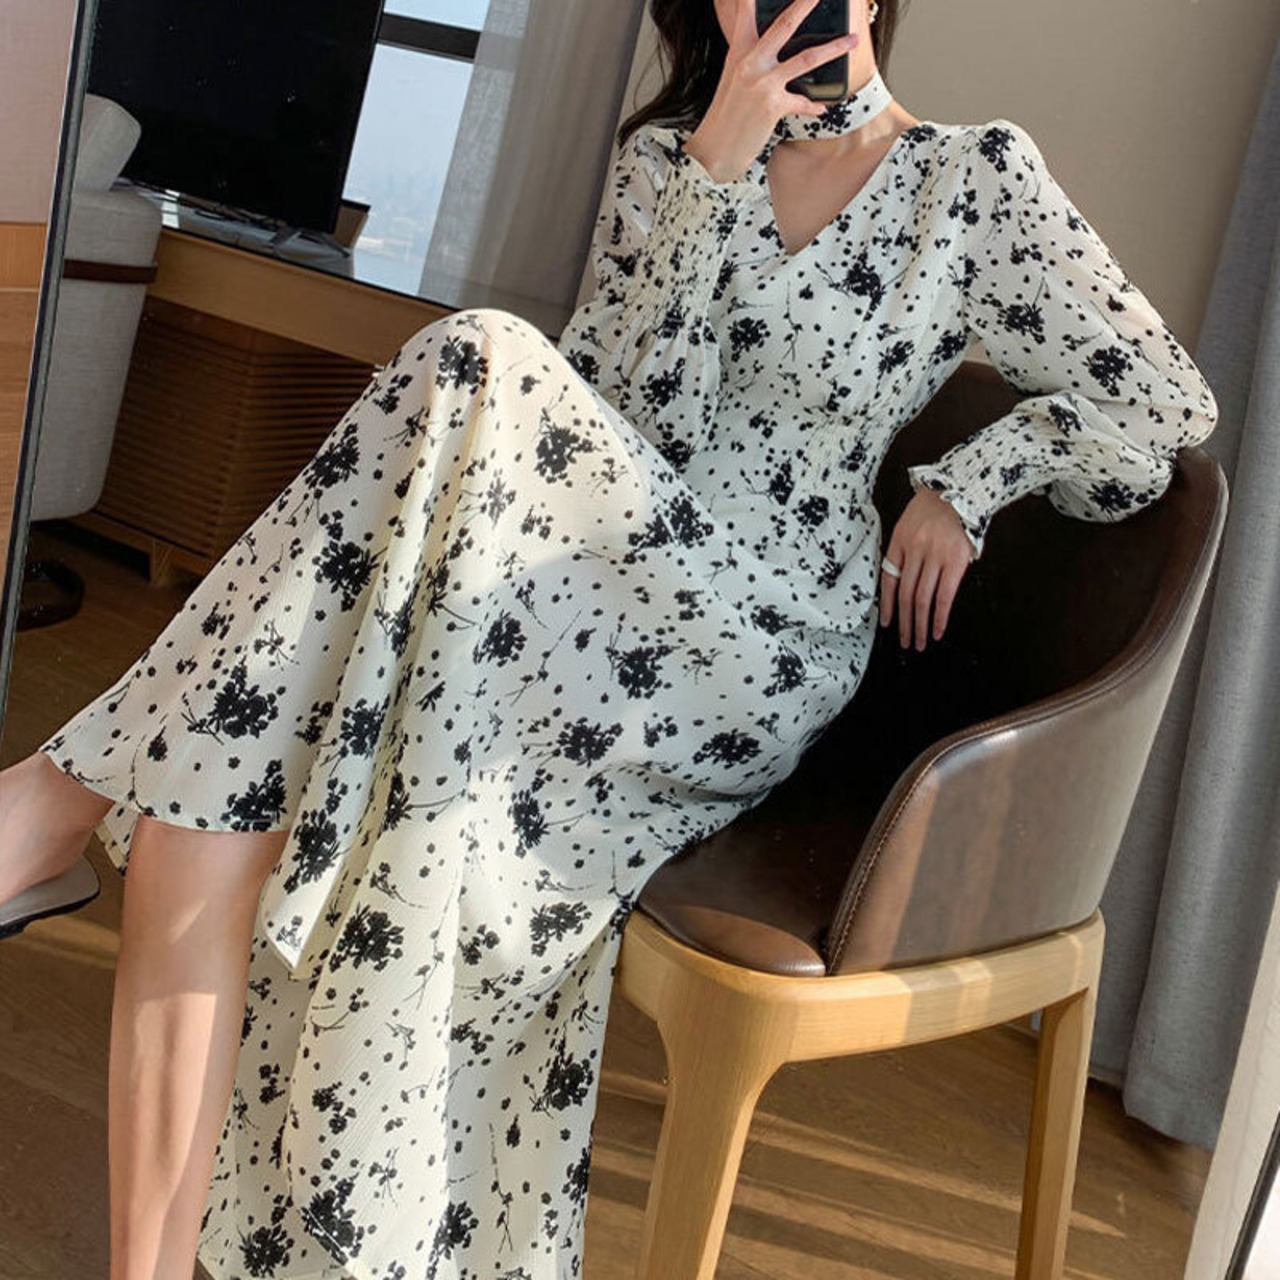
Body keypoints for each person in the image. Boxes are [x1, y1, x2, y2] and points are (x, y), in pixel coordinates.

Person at [0, 0, 1218, 1276]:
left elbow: (1162, 401)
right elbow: (614, 424)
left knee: (474, 359)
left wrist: (965, 484)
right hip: (589, 591)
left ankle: (56, 796)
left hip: (763, 640)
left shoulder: (972, 180)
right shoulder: (663, 163)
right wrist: (712, 172)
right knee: (218, 790)